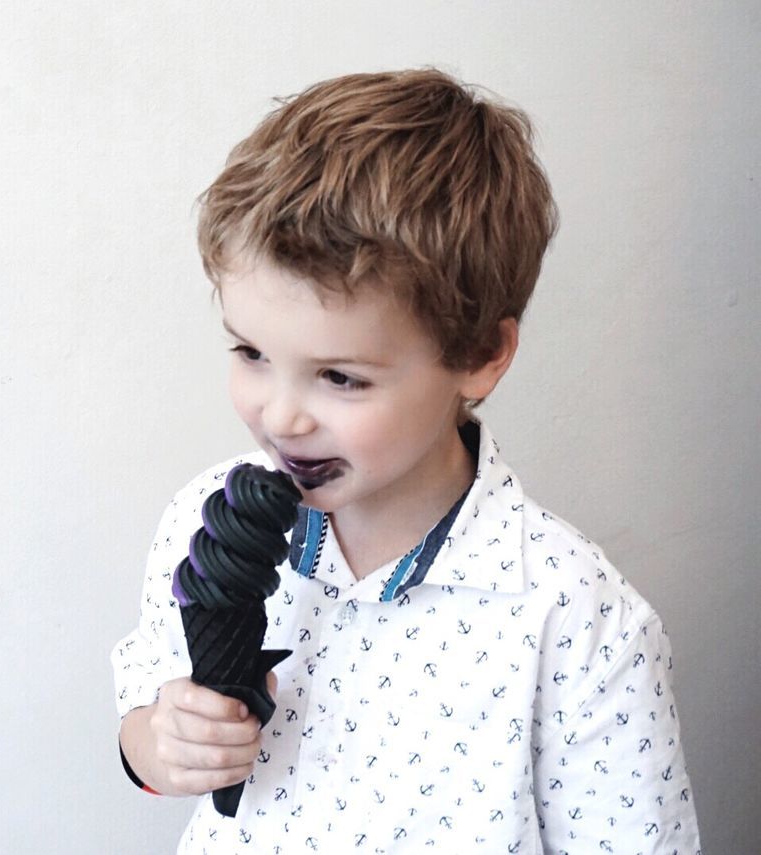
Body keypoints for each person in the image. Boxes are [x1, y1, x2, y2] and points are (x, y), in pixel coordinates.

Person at [110, 69, 700, 853]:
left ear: (482, 355)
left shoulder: (579, 622)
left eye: (340, 376)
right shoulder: (202, 519)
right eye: (251, 351)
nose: (279, 415)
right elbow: (141, 741)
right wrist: (163, 741)